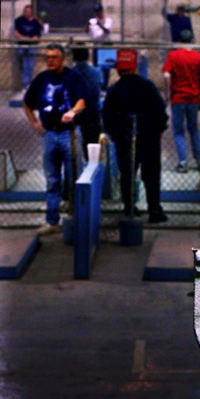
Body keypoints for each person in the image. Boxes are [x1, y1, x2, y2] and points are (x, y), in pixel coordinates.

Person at [23, 44, 86, 235]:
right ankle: (52, 221)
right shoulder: (41, 79)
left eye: (54, 57)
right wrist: (34, 122)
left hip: (70, 134)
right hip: (49, 134)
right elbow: (27, 103)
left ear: (63, 59)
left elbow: (82, 101)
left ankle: (77, 218)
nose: (50, 61)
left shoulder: (73, 77)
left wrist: (72, 112)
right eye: (47, 57)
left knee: (75, 176)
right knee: (52, 179)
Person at [102, 49, 168, 223]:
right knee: (152, 175)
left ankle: (130, 207)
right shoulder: (147, 86)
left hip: (124, 139)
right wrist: (158, 131)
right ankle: (154, 209)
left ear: (118, 70)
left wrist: (116, 136)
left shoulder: (115, 90)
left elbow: (107, 117)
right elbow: (160, 112)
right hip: (149, 138)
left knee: (127, 174)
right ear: (135, 67)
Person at [162, 29, 200, 173]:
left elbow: (166, 75)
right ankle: (199, 160)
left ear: (179, 41)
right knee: (193, 128)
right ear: (192, 40)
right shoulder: (198, 57)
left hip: (178, 97)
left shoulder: (173, 56)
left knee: (178, 131)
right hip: (193, 98)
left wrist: (166, 92)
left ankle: (183, 162)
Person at [72, 47, 103, 160]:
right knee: (93, 142)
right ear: (88, 56)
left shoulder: (70, 73)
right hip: (92, 112)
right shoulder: (96, 72)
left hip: (76, 112)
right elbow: (99, 88)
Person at [14, 4, 43, 92]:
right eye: (26, 11)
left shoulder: (35, 21)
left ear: (32, 12)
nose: (28, 13)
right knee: (23, 66)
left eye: (29, 11)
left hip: (32, 46)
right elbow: (15, 32)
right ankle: (24, 85)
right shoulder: (19, 20)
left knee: (30, 65)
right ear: (24, 11)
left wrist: (33, 38)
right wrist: (23, 38)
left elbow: (37, 34)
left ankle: (29, 84)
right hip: (22, 45)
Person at [86, 3, 113, 89]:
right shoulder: (92, 20)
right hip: (96, 45)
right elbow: (86, 31)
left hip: (106, 46)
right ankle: (98, 86)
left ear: (102, 11)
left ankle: (105, 86)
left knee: (106, 68)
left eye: (99, 11)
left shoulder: (108, 20)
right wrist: (87, 25)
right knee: (96, 67)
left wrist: (100, 24)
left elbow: (107, 31)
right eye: (96, 12)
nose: (98, 13)